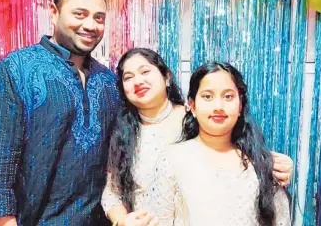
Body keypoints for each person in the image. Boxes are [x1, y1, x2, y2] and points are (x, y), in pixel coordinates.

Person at [0, 0, 119, 226]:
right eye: (79, 14)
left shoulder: (107, 81)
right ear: (54, 13)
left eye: (99, 18)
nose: (91, 25)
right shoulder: (16, 69)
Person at [102, 49, 293, 226]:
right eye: (128, 77)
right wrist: (122, 221)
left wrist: (276, 165)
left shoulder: (201, 118)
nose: (138, 81)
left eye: (145, 72)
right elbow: (112, 191)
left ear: (166, 76)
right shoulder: (123, 133)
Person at [148, 62, 291, 225]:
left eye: (228, 96)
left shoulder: (261, 163)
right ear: (192, 106)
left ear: (240, 106)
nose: (218, 106)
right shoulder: (172, 159)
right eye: (207, 96)